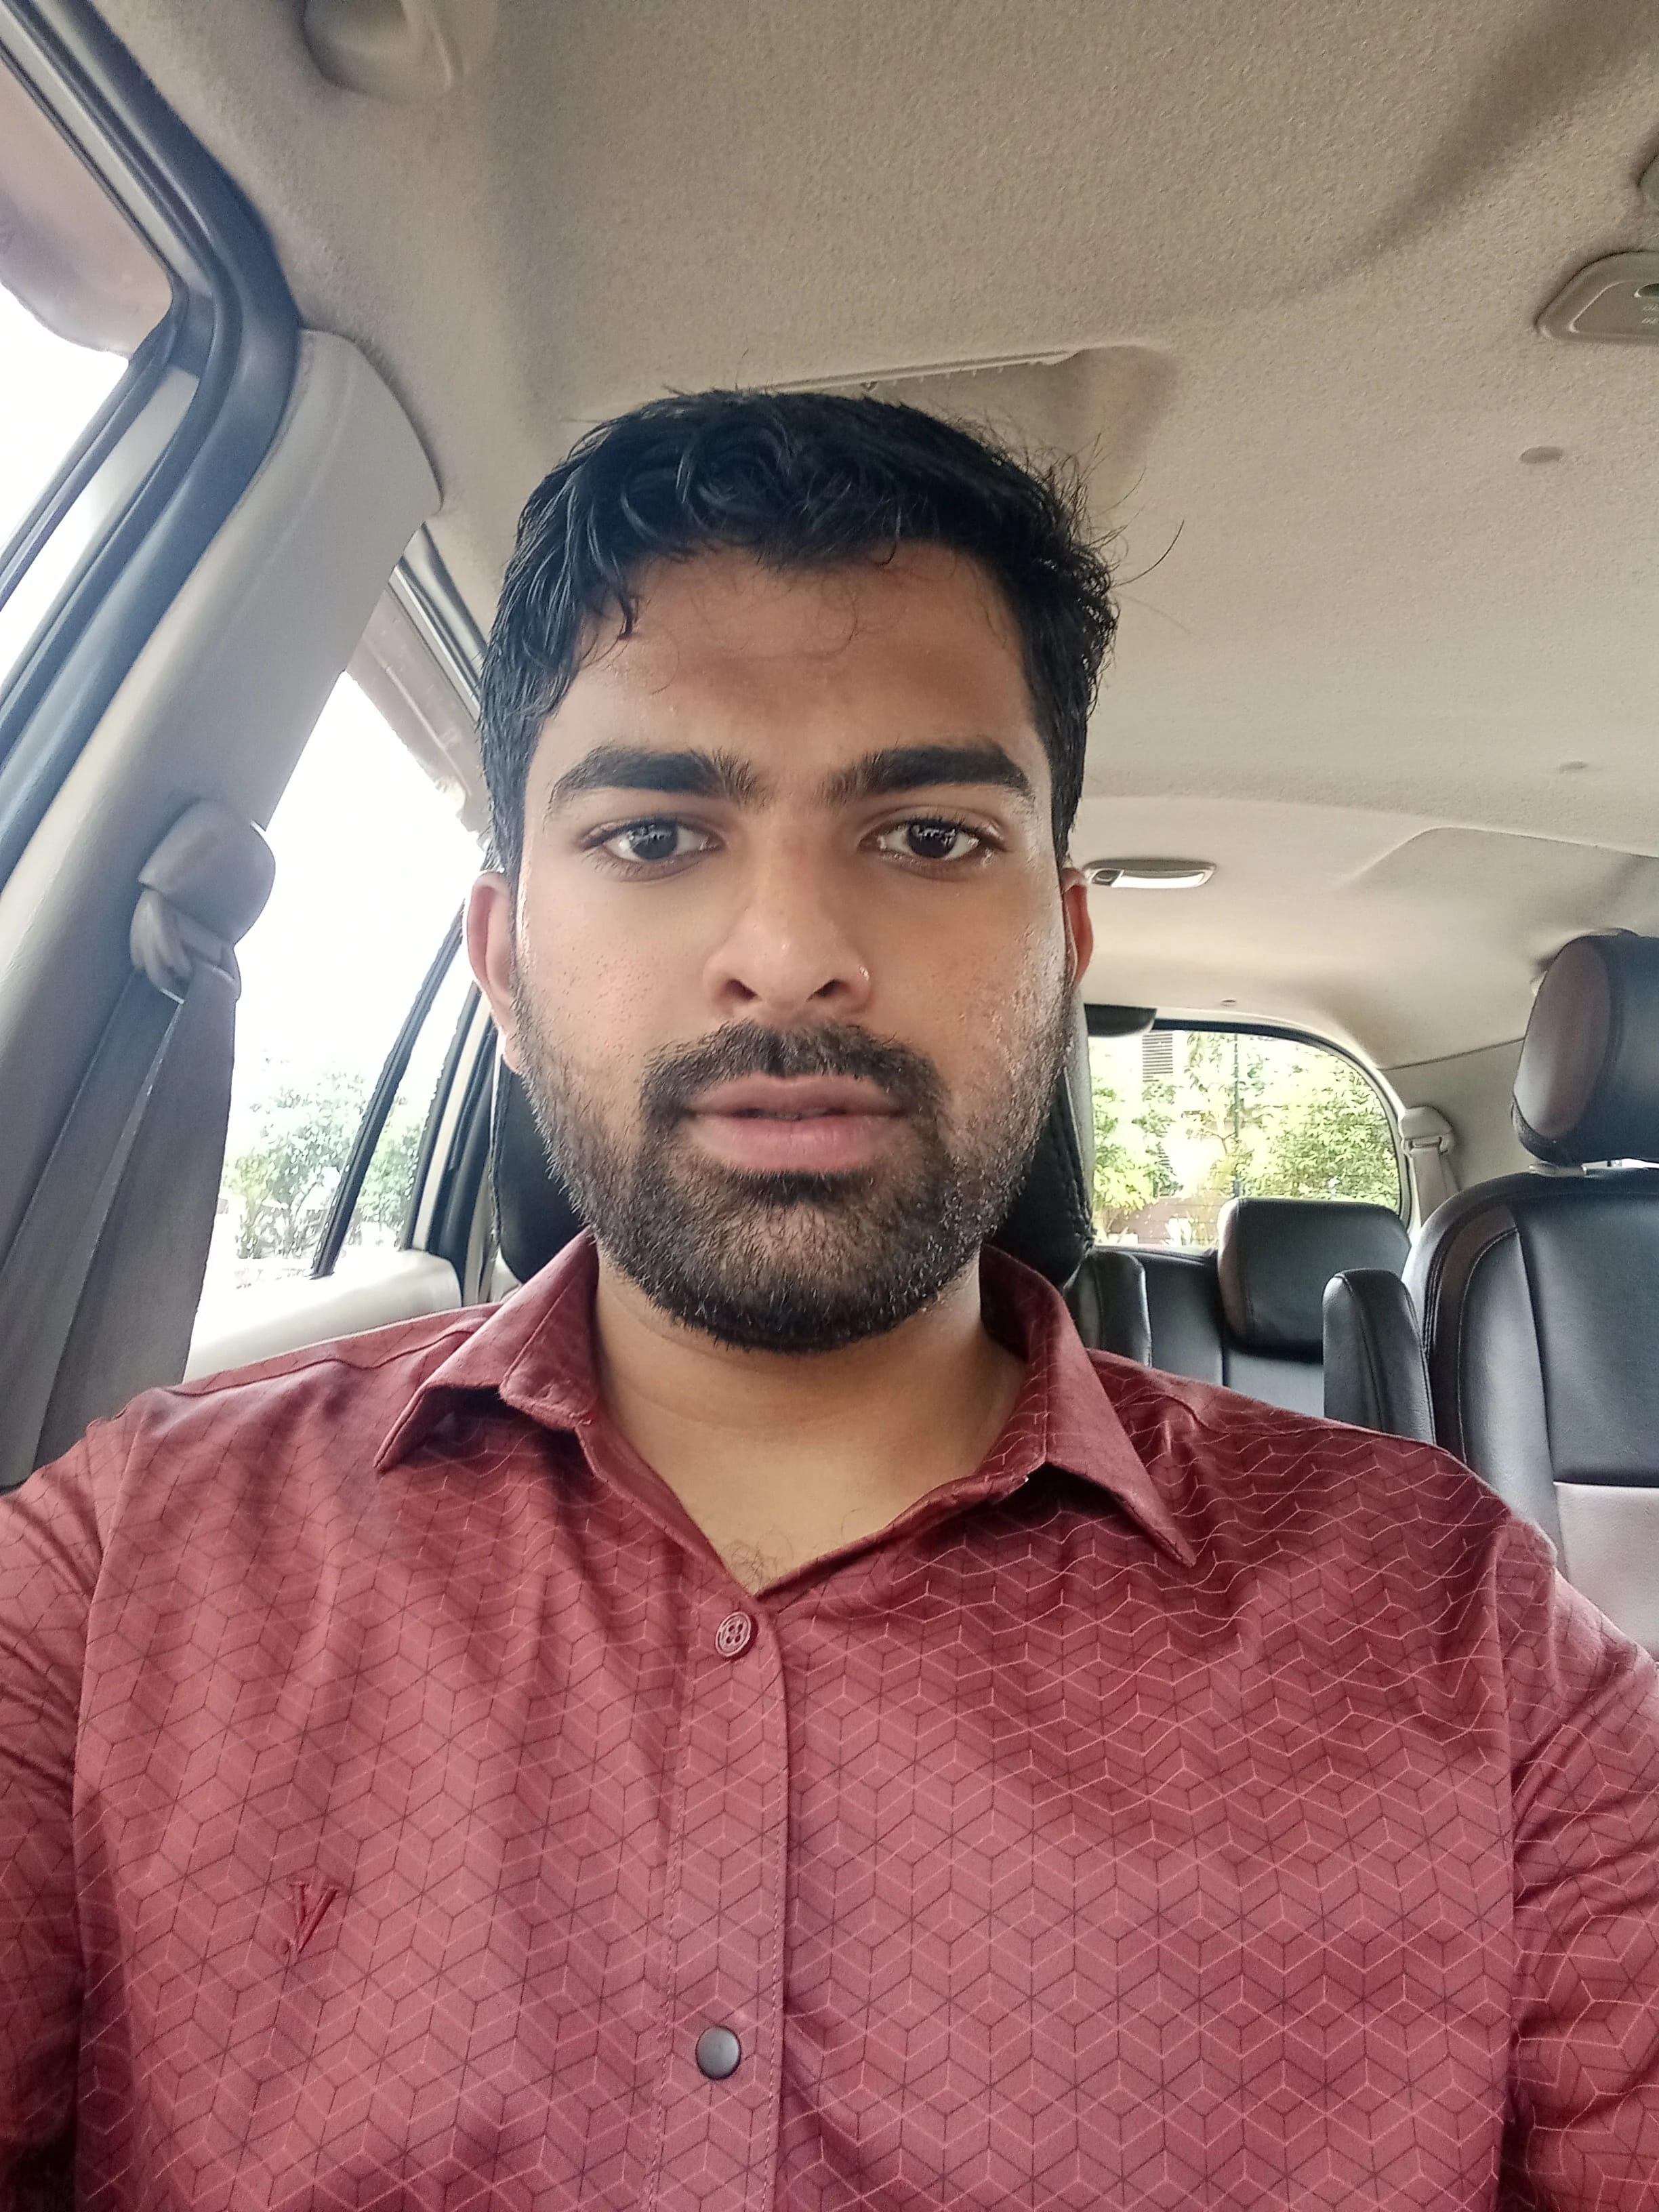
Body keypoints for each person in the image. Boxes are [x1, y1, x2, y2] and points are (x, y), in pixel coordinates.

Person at [1, 391, 1656, 2210]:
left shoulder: (1452, 1632)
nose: (789, 948)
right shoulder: (126, 1578)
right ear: (500, 955)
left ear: (1065, 944)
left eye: (932, 836)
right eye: (653, 837)